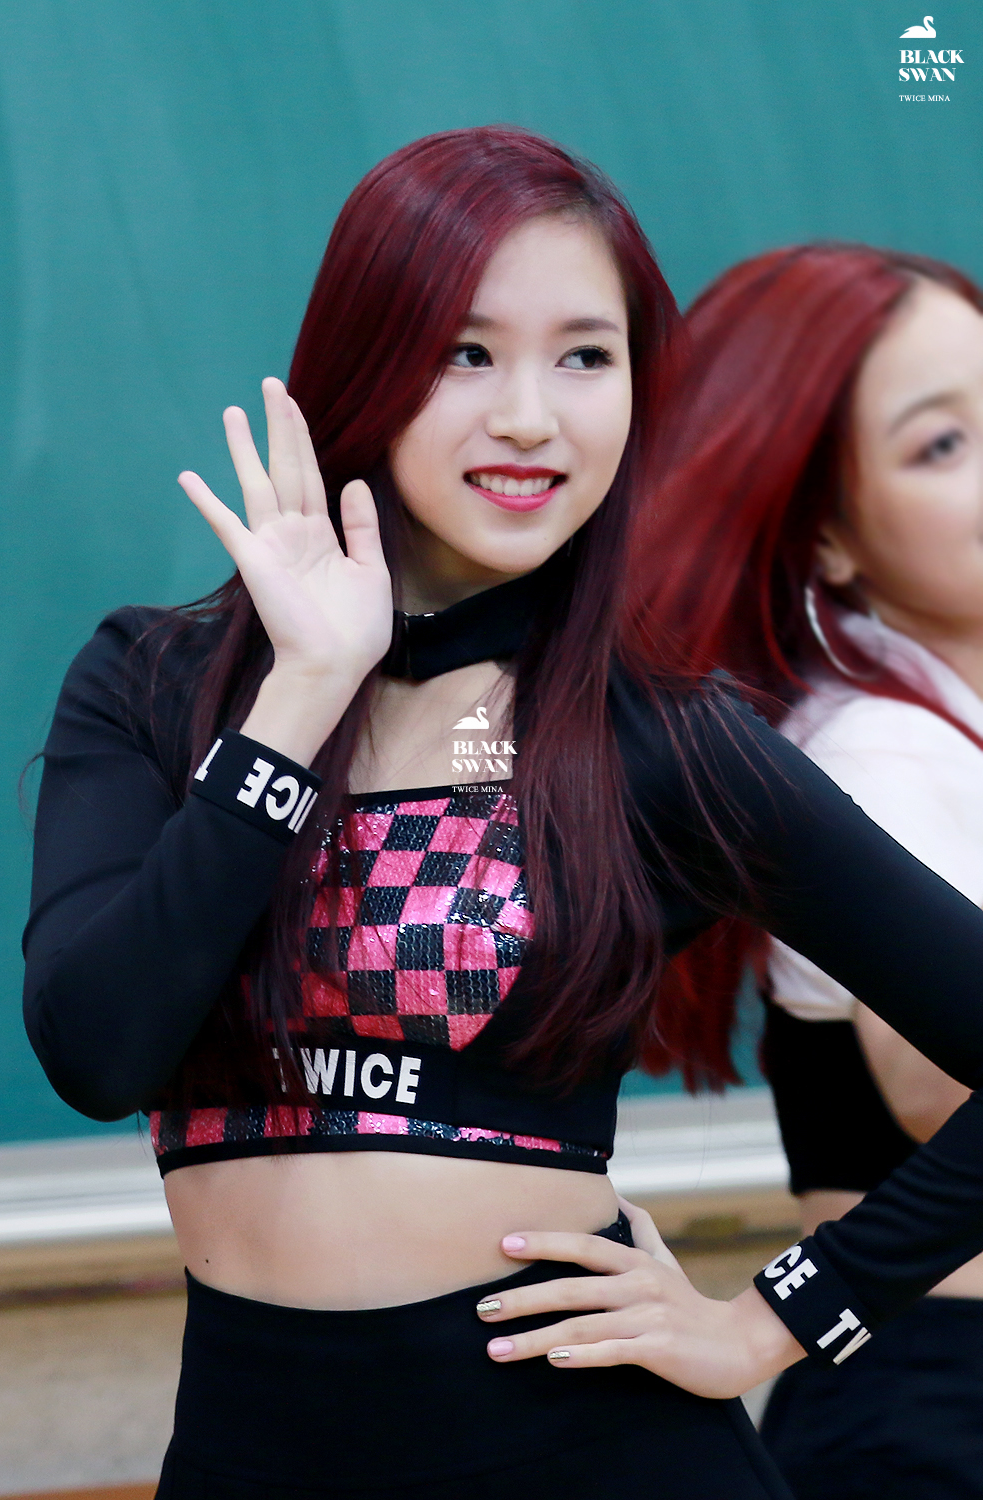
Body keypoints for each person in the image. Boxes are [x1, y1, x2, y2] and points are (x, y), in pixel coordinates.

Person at [21, 128, 983, 1499]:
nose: (532, 417)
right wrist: (303, 692)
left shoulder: (656, 739)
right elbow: (99, 1051)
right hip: (252, 1452)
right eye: (468, 353)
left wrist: (775, 1320)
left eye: (586, 357)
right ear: (366, 361)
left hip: (593, 1457)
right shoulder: (156, 686)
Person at [503, 243, 983, 1498]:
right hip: (939, 1405)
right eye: (942, 444)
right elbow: (942, 1090)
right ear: (826, 535)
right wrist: (778, 1315)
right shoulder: (882, 750)